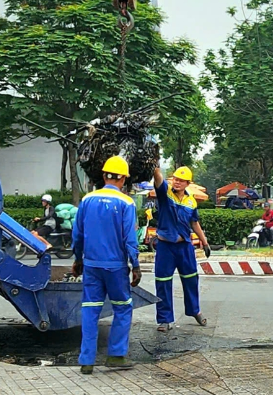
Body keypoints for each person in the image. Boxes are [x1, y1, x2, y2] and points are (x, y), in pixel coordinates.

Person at [71, 156, 142, 374]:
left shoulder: (87, 200)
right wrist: (136, 265)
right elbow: (129, 238)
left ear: (104, 176)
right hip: (116, 267)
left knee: (90, 310)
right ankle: (116, 355)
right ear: (123, 179)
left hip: (91, 266)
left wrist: (78, 259)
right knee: (122, 307)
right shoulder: (126, 203)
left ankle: (86, 361)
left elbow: (77, 234)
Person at [152, 163, 210, 332]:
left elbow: (194, 222)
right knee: (163, 281)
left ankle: (195, 311)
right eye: (175, 179)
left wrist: (204, 242)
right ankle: (164, 319)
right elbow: (158, 178)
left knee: (191, 279)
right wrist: (155, 165)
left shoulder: (191, 202)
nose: (177, 182)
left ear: (187, 183)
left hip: (184, 246)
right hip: (165, 246)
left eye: (181, 180)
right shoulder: (164, 193)